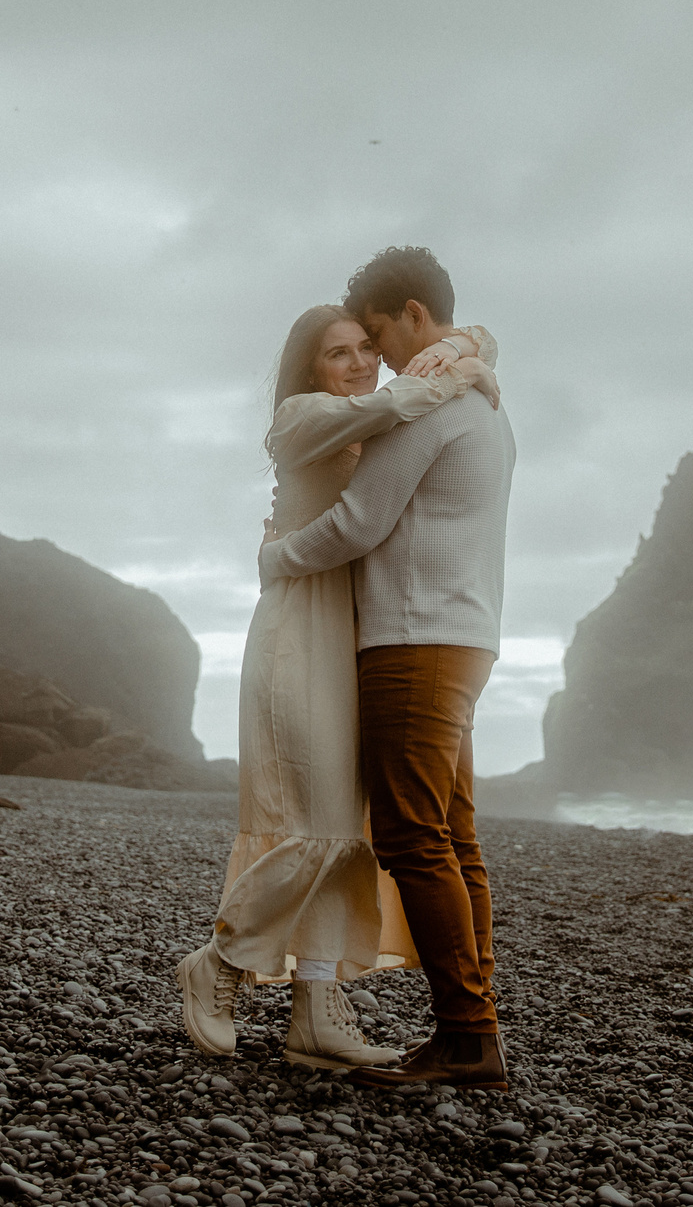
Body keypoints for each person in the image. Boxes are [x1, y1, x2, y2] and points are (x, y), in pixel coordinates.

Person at [175, 295, 501, 1071]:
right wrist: (463, 368)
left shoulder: (373, 421)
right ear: (309, 368)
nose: (360, 362)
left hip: (353, 634)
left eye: (366, 346)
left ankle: (315, 1008)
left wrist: (470, 348)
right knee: (310, 822)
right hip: (297, 634)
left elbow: (449, 357)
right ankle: (219, 962)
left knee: (344, 828)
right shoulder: (299, 418)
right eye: (339, 352)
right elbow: (403, 396)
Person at [259, 246, 518, 1090]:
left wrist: (277, 557)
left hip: (413, 643)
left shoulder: (432, 407)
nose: (378, 360)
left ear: (412, 314)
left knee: (412, 834)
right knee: (455, 835)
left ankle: (468, 1036)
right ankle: (472, 1027)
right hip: (465, 637)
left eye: (377, 335)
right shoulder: (482, 399)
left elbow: (360, 521)